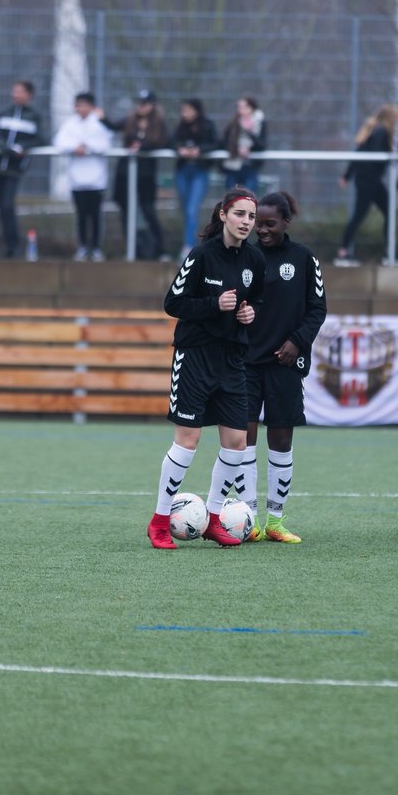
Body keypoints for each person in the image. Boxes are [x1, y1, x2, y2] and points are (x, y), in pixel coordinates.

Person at [146, 188, 266, 550]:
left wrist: (249, 313)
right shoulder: (201, 256)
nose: (246, 222)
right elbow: (173, 303)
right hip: (195, 356)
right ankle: (159, 521)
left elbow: (254, 301)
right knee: (188, 441)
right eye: (240, 214)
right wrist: (214, 304)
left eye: (251, 217)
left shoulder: (255, 261)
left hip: (231, 361)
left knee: (236, 443)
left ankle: (214, 518)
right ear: (223, 215)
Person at [239, 191, 327, 544]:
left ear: (286, 222)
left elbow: (317, 309)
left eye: (269, 224)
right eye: (258, 223)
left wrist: (297, 342)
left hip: (284, 363)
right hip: (244, 362)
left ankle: (275, 520)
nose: (261, 230)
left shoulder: (304, 259)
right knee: (242, 441)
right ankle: (247, 520)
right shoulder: (242, 256)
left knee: (280, 439)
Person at [0, 79, 47, 258]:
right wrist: (6, 148)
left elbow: (41, 139)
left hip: (15, 168)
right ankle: (7, 245)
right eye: (14, 91)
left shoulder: (34, 116)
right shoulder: (3, 113)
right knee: (1, 207)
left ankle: (14, 245)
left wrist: (21, 147)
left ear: (29, 95)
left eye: (20, 91)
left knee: (8, 205)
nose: (16, 94)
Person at [53, 91, 113, 261]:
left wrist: (87, 147)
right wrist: (74, 147)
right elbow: (59, 142)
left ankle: (95, 248)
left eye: (83, 105)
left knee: (95, 216)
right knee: (81, 215)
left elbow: (106, 144)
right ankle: (81, 247)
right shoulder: (70, 124)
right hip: (77, 180)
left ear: (91, 107)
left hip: (96, 180)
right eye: (77, 105)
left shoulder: (100, 124)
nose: (79, 108)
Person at [337, 103, 398, 266]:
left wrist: (347, 175)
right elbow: (373, 157)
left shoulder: (374, 131)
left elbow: (359, 153)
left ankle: (388, 252)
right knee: (361, 214)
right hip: (368, 180)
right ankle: (343, 252)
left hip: (370, 180)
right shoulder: (381, 133)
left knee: (389, 211)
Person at [112, 89, 170, 260]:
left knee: (148, 210)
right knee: (125, 210)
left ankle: (159, 249)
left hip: (145, 175)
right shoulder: (130, 121)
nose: (141, 107)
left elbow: (162, 142)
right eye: (140, 103)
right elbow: (114, 125)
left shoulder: (158, 124)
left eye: (145, 104)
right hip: (126, 173)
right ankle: (133, 249)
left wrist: (142, 147)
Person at [173, 98, 218, 259]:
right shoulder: (181, 127)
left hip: (199, 171)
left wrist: (199, 151)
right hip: (183, 171)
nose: (184, 114)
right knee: (186, 210)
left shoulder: (207, 125)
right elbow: (171, 141)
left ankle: (188, 246)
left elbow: (216, 144)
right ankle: (190, 241)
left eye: (187, 110)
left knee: (192, 209)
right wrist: (180, 149)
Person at [220, 96, 267, 192]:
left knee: (248, 199)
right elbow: (223, 142)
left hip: (250, 167)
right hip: (233, 167)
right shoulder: (233, 123)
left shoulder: (260, 123)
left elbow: (261, 145)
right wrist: (236, 149)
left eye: (245, 107)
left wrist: (250, 133)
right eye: (239, 107)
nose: (241, 110)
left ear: (252, 108)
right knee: (232, 200)